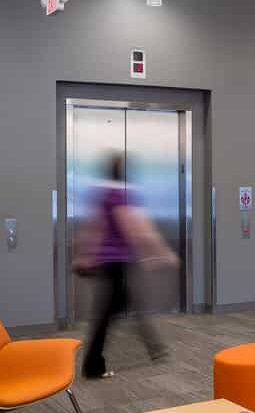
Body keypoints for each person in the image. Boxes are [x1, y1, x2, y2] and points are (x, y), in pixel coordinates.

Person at [74, 154, 178, 378]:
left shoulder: (102, 194)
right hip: (117, 262)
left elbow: (95, 226)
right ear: (124, 171)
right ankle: (95, 365)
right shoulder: (119, 195)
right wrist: (162, 253)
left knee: (118, 306)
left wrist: (86, 254)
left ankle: (152, 348)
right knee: (110, 312)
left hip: (108, 262)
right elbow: (135, 227)